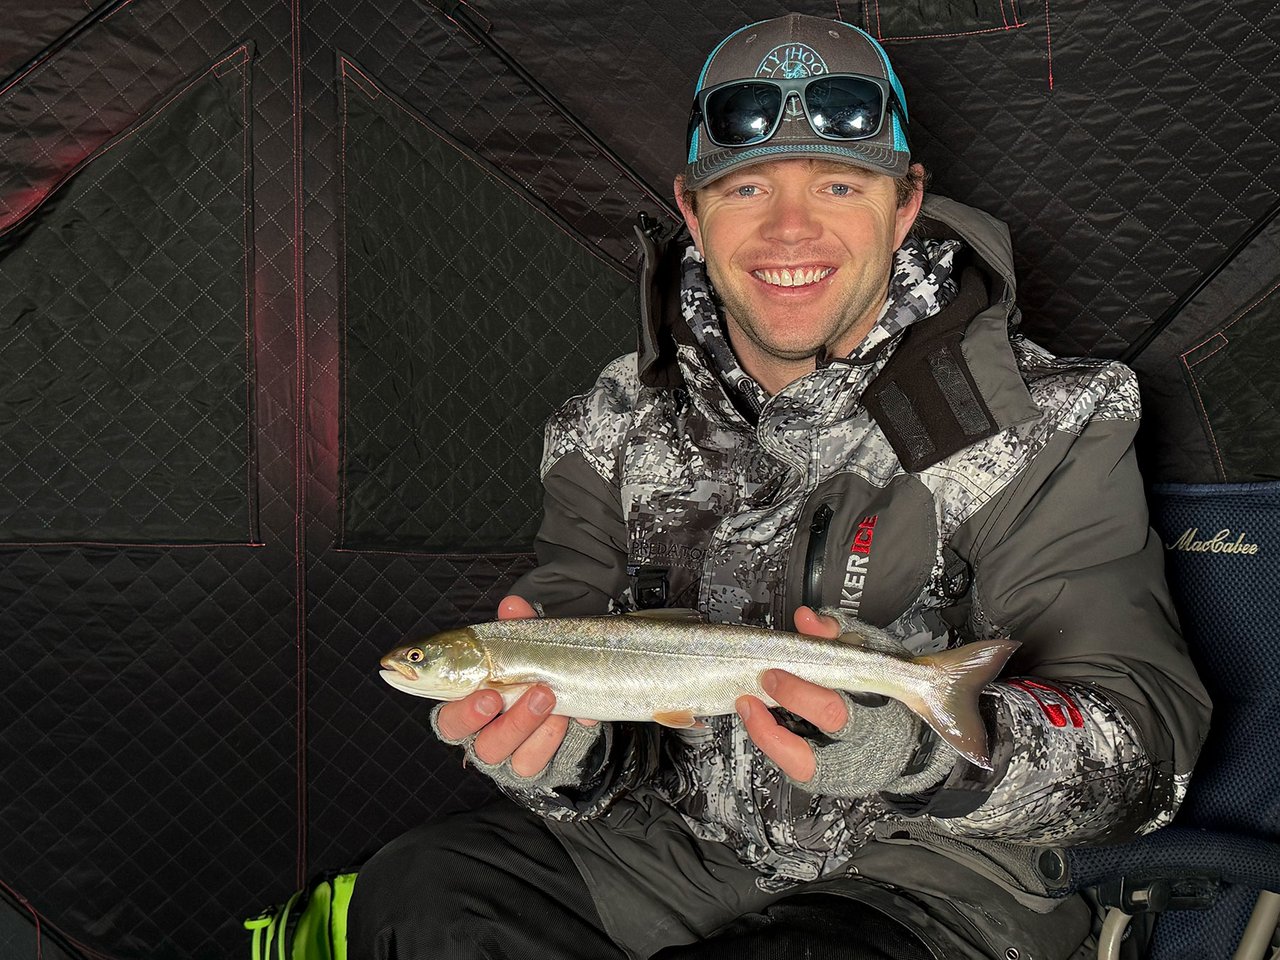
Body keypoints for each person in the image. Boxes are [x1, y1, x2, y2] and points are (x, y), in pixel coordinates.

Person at [348, 13, 1211, 959]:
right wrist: (562, 754)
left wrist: (918, 750)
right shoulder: (611, 425)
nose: (788, 229)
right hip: (678, 854)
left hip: (933, 878)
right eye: (746, 185)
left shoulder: (1050, 423)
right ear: (691, 208)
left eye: (839, 184)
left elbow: (1142, 752)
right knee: (420, 889)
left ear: (906, 202)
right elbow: (578, 666)